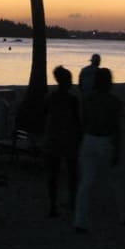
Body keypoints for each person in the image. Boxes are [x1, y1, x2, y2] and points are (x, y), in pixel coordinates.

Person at [73, 67, 125, 232]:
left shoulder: (88, 100)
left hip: (89, 139)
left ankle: (80, 220)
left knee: (87, 181)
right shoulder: (113, 101)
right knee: (116, 179)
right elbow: (115, 127)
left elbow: (83, 121)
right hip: (105, 140)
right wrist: (117, 148)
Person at [43, 65, 81, 218]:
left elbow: (46, 116)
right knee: (71, 173)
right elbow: (76, 121)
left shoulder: (51, 98)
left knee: (54, 174)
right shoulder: (72, 100)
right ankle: (71, 202)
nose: (72, 82)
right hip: (68, 139)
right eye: (70, 79)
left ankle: (53, 205)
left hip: (53, 138)